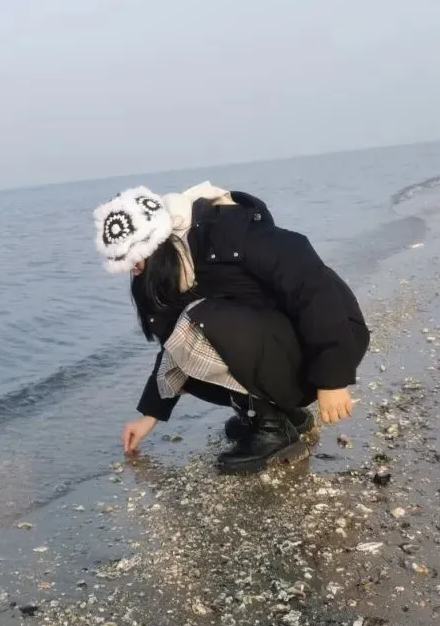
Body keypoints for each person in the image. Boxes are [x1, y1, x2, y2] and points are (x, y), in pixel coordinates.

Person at [92, 181, 370, 474]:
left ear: (155, 245)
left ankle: (274, 430)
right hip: (285, 342)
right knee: (187, 338)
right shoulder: (178, 263)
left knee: (199, 322)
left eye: (136, 262)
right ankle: (283, 415)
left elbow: (313, 286)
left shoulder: (226, 233)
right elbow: (173, 343)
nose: (135, 272)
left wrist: (332, 380)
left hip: (336, 333)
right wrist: (150, 416)